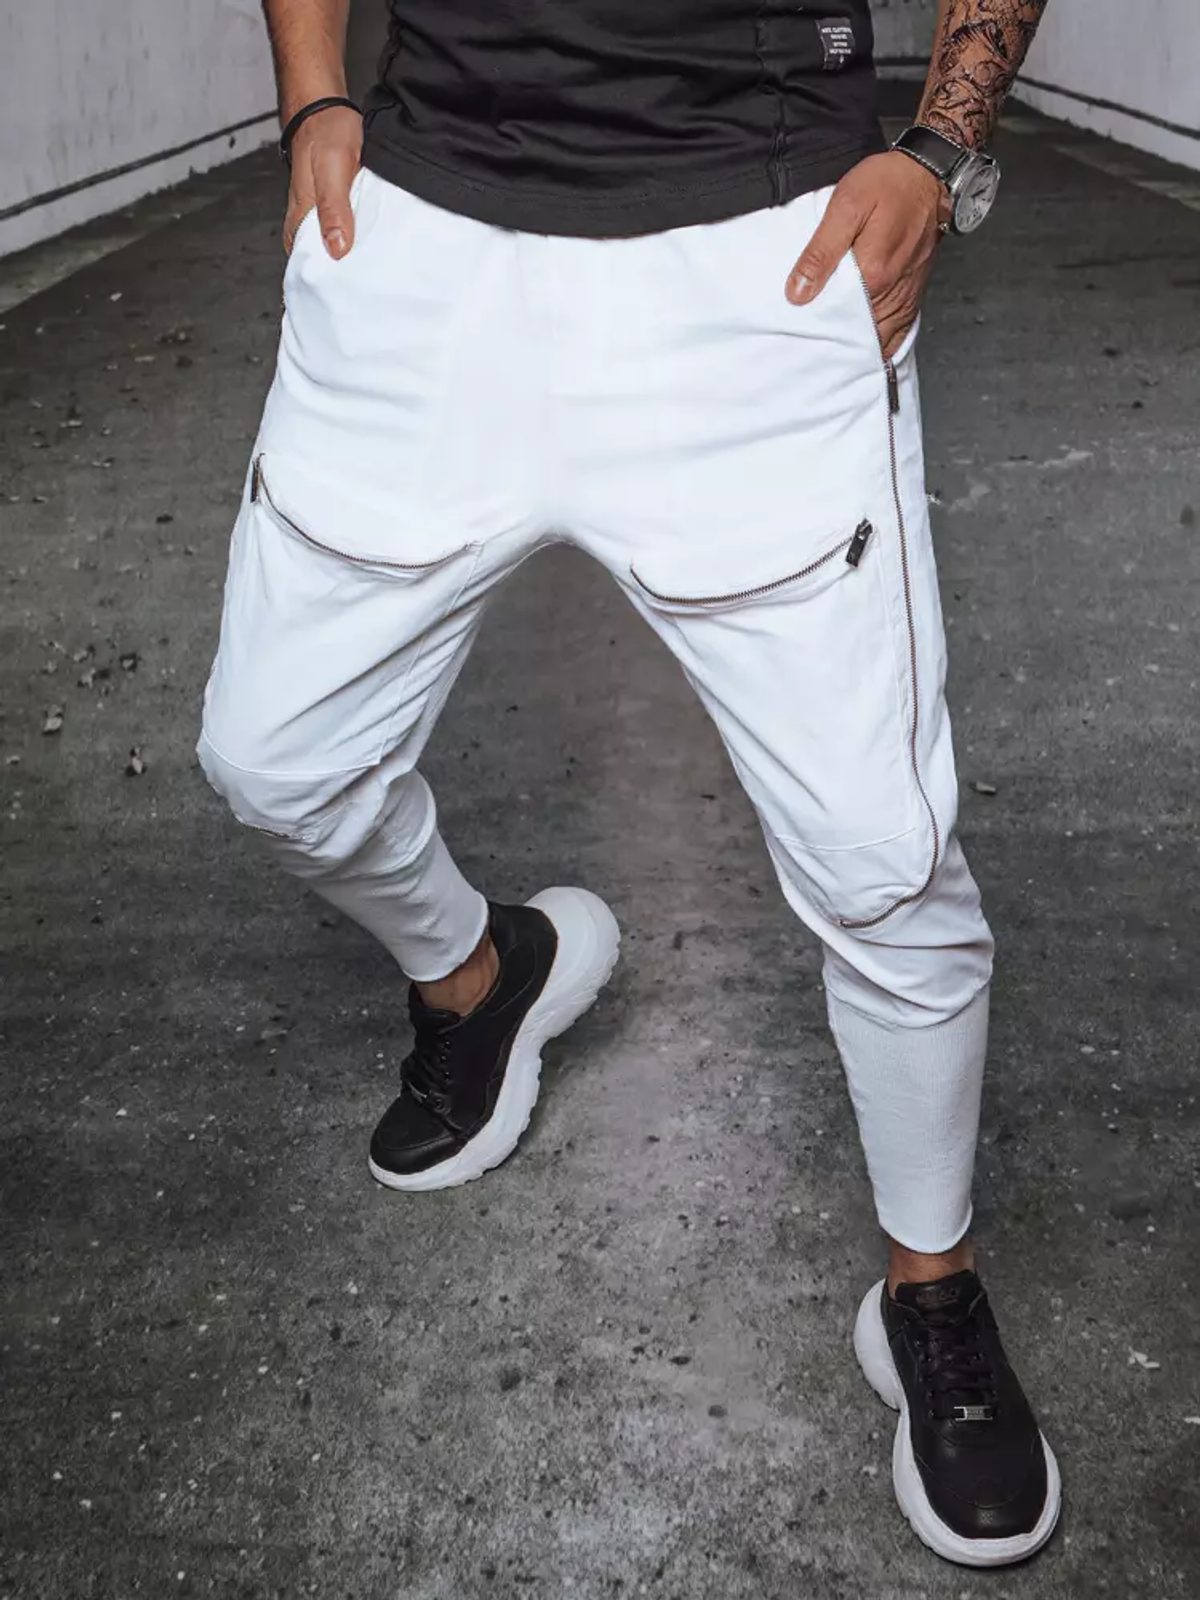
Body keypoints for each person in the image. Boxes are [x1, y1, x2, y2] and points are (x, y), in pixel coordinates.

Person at [198, 0, 1060, 1567]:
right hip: (425, 235)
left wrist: (940, 151)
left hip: (755, 257)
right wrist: (314, 101)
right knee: (278, 758)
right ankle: (480, 976)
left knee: (879, 854)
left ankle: (929, 1286)